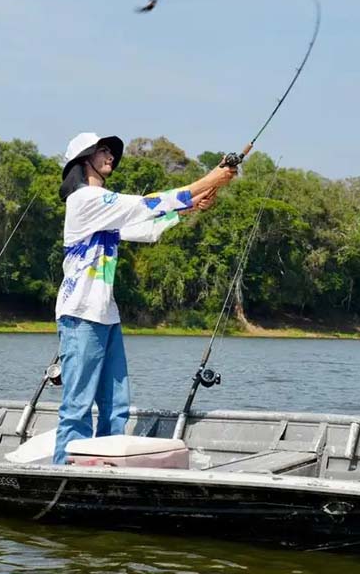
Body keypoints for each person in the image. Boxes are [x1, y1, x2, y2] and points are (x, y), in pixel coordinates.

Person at [53, 132, 237, 464]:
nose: (111, 155)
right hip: (80, 315)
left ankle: (107, 468)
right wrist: (209, 180)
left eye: (110, 151)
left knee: (116, 406)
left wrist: (189, 207)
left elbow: (145, 227)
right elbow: (145, 204)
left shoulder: (103, 210)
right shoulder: (84, 200)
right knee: (77, 406)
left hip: (106, 316)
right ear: (84, 159)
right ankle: (62, 471)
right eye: (103, 150)